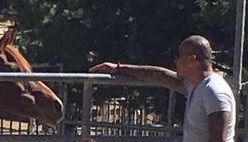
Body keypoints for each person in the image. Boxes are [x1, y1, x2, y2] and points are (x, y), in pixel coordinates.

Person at [89, 35, 235, 142]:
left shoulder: (214, 91)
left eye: (178, 56)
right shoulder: (195, 86)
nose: (175, 61)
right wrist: (119, 68)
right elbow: (160, 75)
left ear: (192, 60)